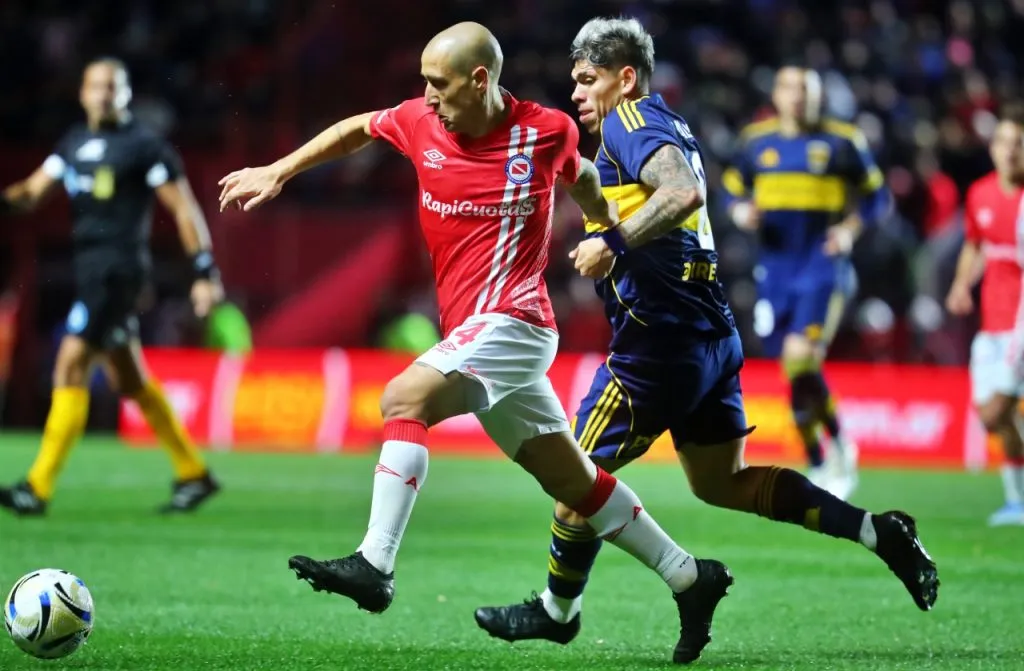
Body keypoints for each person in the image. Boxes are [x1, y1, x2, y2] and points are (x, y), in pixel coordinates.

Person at [218, 22, 732, 662]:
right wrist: (280, 168)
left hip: (516, 321)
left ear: (480, 80)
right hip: (472, 330)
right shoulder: (417, 122)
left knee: (404, 398)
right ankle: (690, 576)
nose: (427, 97)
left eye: (439, 84)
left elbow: (580, 179)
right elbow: (356, 128)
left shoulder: (545, 130)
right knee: (574, 483)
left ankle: (375, 563)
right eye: (424, 84)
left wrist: (608, 229)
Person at [472, 18, 939, 662]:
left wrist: (611, 241)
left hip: (657, 348)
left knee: (574, 479)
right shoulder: (663, 124)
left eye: (588, 79)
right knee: (722, 483)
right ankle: (877, 532)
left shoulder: (631, 122)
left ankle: (562, 610)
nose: (577, 93)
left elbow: (684, 192)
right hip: (709, 336)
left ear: (625, 77)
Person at [0, 58, 223, 516]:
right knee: (129, 378)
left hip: (118, 273)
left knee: (70, 364)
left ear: (126, 95)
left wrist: (203, 270)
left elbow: (184, 209)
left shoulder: (144, 147)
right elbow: (31, 192)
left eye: (112, 87)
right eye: (95, 86)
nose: (103, 94)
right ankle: (193, 473)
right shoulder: (74, 143)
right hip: (89, 269)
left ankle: (36, 488)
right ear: (82, 92)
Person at [720, 66, 891, 499]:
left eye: (807, 90)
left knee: (799, 360)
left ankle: (837, 449)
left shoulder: (842, 141)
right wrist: (740, 211)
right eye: (791, 88)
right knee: (794, 370)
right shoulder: (757, 143)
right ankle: (821, 458)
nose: (798, 97)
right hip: (774, 270)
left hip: (821, 265)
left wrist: (850, 229)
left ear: (819, 96)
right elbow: (728, 191)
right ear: (776, 95)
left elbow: (877, 197)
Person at [946, 106, 1024, 526]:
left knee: (997, 411)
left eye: (1018, 144)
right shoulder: (980, 193)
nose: (1010, 152)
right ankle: (1017, 502)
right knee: (993, 416)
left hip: (1020, 325)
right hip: (991, 323)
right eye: (1003, 143)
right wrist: (961, 284)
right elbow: (975, 245)